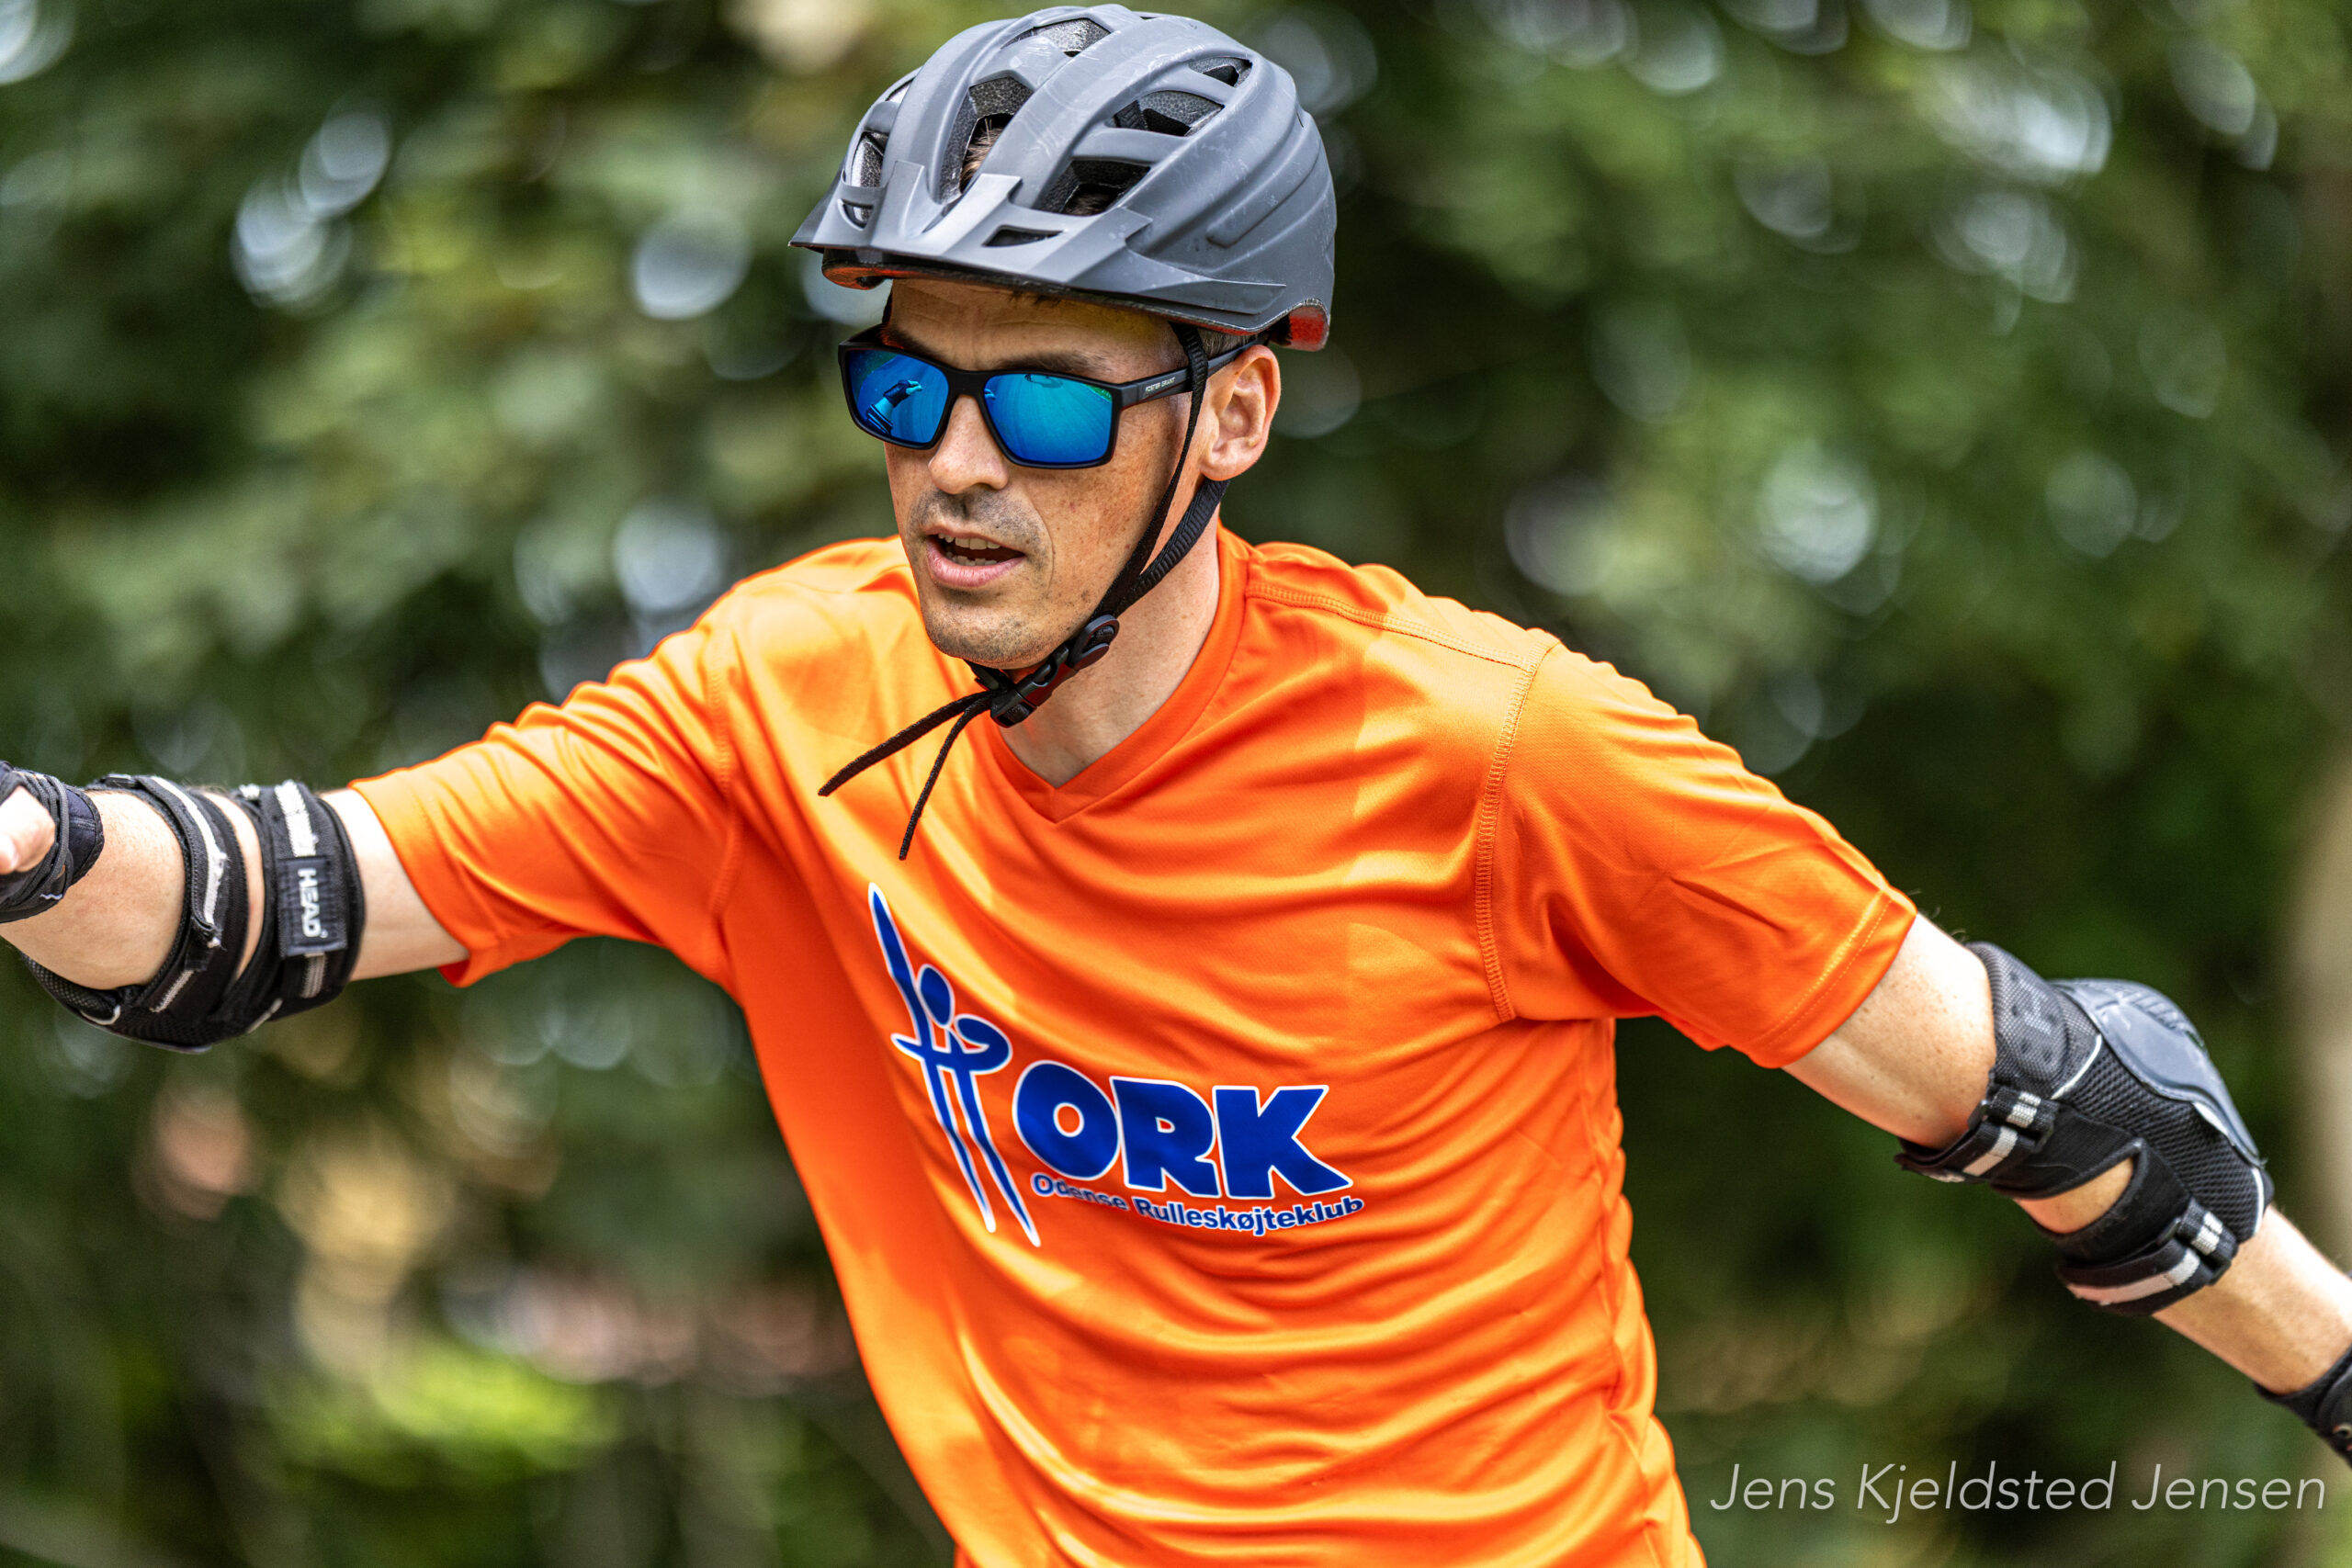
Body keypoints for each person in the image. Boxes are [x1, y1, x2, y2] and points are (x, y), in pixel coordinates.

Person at [2, 6, 2349, 1562]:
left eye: (1040, 401)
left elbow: (2073, 1110)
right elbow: (248, 904)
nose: (954, 465)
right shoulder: (779, 701)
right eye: (905, 387)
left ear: (1228, 414)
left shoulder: (1504, 755)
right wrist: (24, 841)